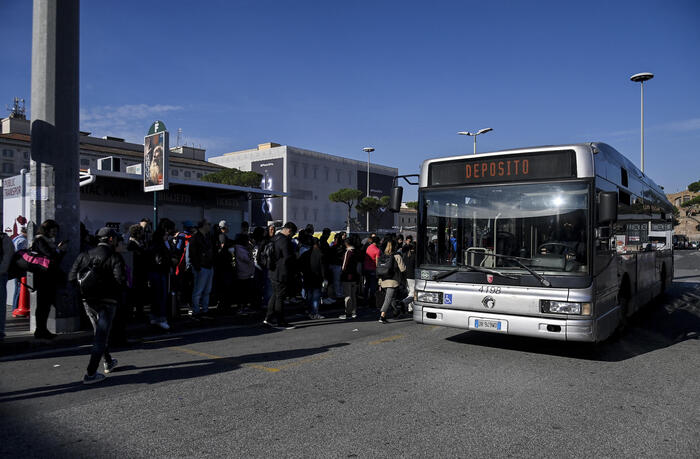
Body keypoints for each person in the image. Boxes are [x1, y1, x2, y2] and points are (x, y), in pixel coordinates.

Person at [68, 227, 126, 384]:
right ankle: (91, 373)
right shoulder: (115, 257)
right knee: (101, 336)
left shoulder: (84, 255)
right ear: (111, 239)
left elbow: (72, 277)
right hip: (108, 302)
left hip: (88, 301)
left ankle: (108, 361)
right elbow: (121, 281)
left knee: (99, 333)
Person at [31, 219, 68, 339]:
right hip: (44, 278)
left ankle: (42, 329)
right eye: (53, 230)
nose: (55, 233)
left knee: (46, 305)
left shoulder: (45, 241)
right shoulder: (40, 240)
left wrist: (59, 251)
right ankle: (40, 330)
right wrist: (59, 251)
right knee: (43, 305)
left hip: (48, 277)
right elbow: (50, 258)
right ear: (47, 229)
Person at [264, 221, 297, 329]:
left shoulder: (275, 238)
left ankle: (268, 319)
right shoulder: (285, 241)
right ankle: (280, 321)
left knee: (275, 295)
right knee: (280, 297)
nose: (292, 236)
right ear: (289, 230)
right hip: (281, 273)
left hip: (272, 271)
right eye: (292, 234)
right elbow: (288, 258)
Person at [188, 219, 215, 319]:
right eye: (208, 224)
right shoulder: (195, 238)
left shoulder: (207, 237)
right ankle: (196, 311)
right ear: (203, 226)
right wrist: (197, 267)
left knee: (207, 290)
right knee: (198, 291)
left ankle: (205, 310)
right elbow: (192, 254)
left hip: (208, 266)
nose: (209, 226)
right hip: (201, 267)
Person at [377, 238, 407, 323]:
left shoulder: (382, 256)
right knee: (388, 298)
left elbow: (379, 269)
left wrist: (379, 282)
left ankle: (397, 310)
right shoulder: (397, 256)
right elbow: (403, 269)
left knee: (392, 298)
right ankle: (382, 316)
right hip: (393, 281)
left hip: (383, 280)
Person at [299, 237, 325, 319]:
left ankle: (309, 311)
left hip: (307, 277)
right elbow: (323, 268)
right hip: (317, 278)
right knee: (316, 297)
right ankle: (314, 312)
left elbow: (300, 266)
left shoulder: (305, 254)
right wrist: (325, 278)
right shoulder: (320, 254)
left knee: (309, 295)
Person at [213, 220, 235, 312]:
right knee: (225, 287)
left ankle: (222, 305)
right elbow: (222, 249)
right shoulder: (222, 237)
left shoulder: (219, 236)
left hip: (220, 266)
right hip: (224, 266)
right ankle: (223, 306)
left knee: (222, 287)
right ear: (224, 228)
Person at [339, 237, 360, 320]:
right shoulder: (356, 252)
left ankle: (348, 313)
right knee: (353, 295)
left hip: (347, 277)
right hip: (355, 276)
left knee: (348, 296)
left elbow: (344, 266)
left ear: (346, 243)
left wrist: (342, 273)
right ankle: (354, 312)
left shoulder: (348, 252)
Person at [0, 230, 15, 341]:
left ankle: (0, 330)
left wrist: (2, 271)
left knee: (0, 303)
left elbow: (7, 257)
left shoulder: (4, 239)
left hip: (0, 275)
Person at [11, 227, 28, 312]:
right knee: (19, 287)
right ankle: (17, 307)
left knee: (17, 286)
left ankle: (14, 306)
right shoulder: (23, 241)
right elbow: (20, 254)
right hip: (19, 266)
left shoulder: (16, 238)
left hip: (14, 265)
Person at [363, 236, 380, 309]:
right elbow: (377, 263)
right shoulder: (377, 250)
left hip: (366, 268)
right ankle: (371, 301)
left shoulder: (368, 247)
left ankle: (365, 300)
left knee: (367, 285)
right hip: (373, 269)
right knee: (373, 286)